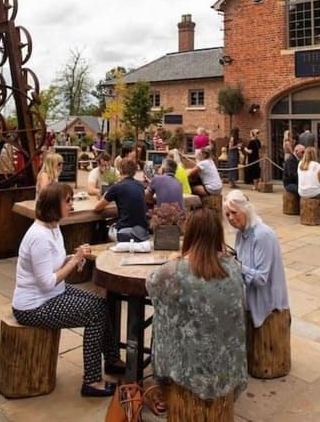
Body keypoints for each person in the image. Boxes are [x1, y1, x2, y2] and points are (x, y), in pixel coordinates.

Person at [11, 183, 123, 397]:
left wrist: (72, 258)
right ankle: (91, 381)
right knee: (95, 313)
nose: (72, 204)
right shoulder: (39, 237)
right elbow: (46, 282)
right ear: (54, 205)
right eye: (68, 201)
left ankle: (112, 360)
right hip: (34, 305)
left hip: (52, 294)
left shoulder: (53, 228)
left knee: (101, 302)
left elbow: (54, 263)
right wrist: (75, 262)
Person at [146, 207, 247, 405]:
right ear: (218, 234)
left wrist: (174, 261)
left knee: (163, 316)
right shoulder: (232, 266)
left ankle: (164, 381)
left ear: (190, 234)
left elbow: (151, 285)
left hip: (188, 368)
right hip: (229, 361)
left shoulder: (175, 270)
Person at [224, 190, 289, 328]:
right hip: (252, 301)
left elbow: (260, 279)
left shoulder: (262, 234)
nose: (230, 218)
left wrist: (235, 264)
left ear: (245, 210)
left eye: (234, 212)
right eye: (227, 214)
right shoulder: (240, 234)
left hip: (269, 308)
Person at [94, 158, 149, 241]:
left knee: (105, 229)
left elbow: (97, 208)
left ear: (120, 171)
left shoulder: (117, 187)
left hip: (126, 232)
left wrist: (104, 196)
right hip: (143, 232)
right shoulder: (140, 186)